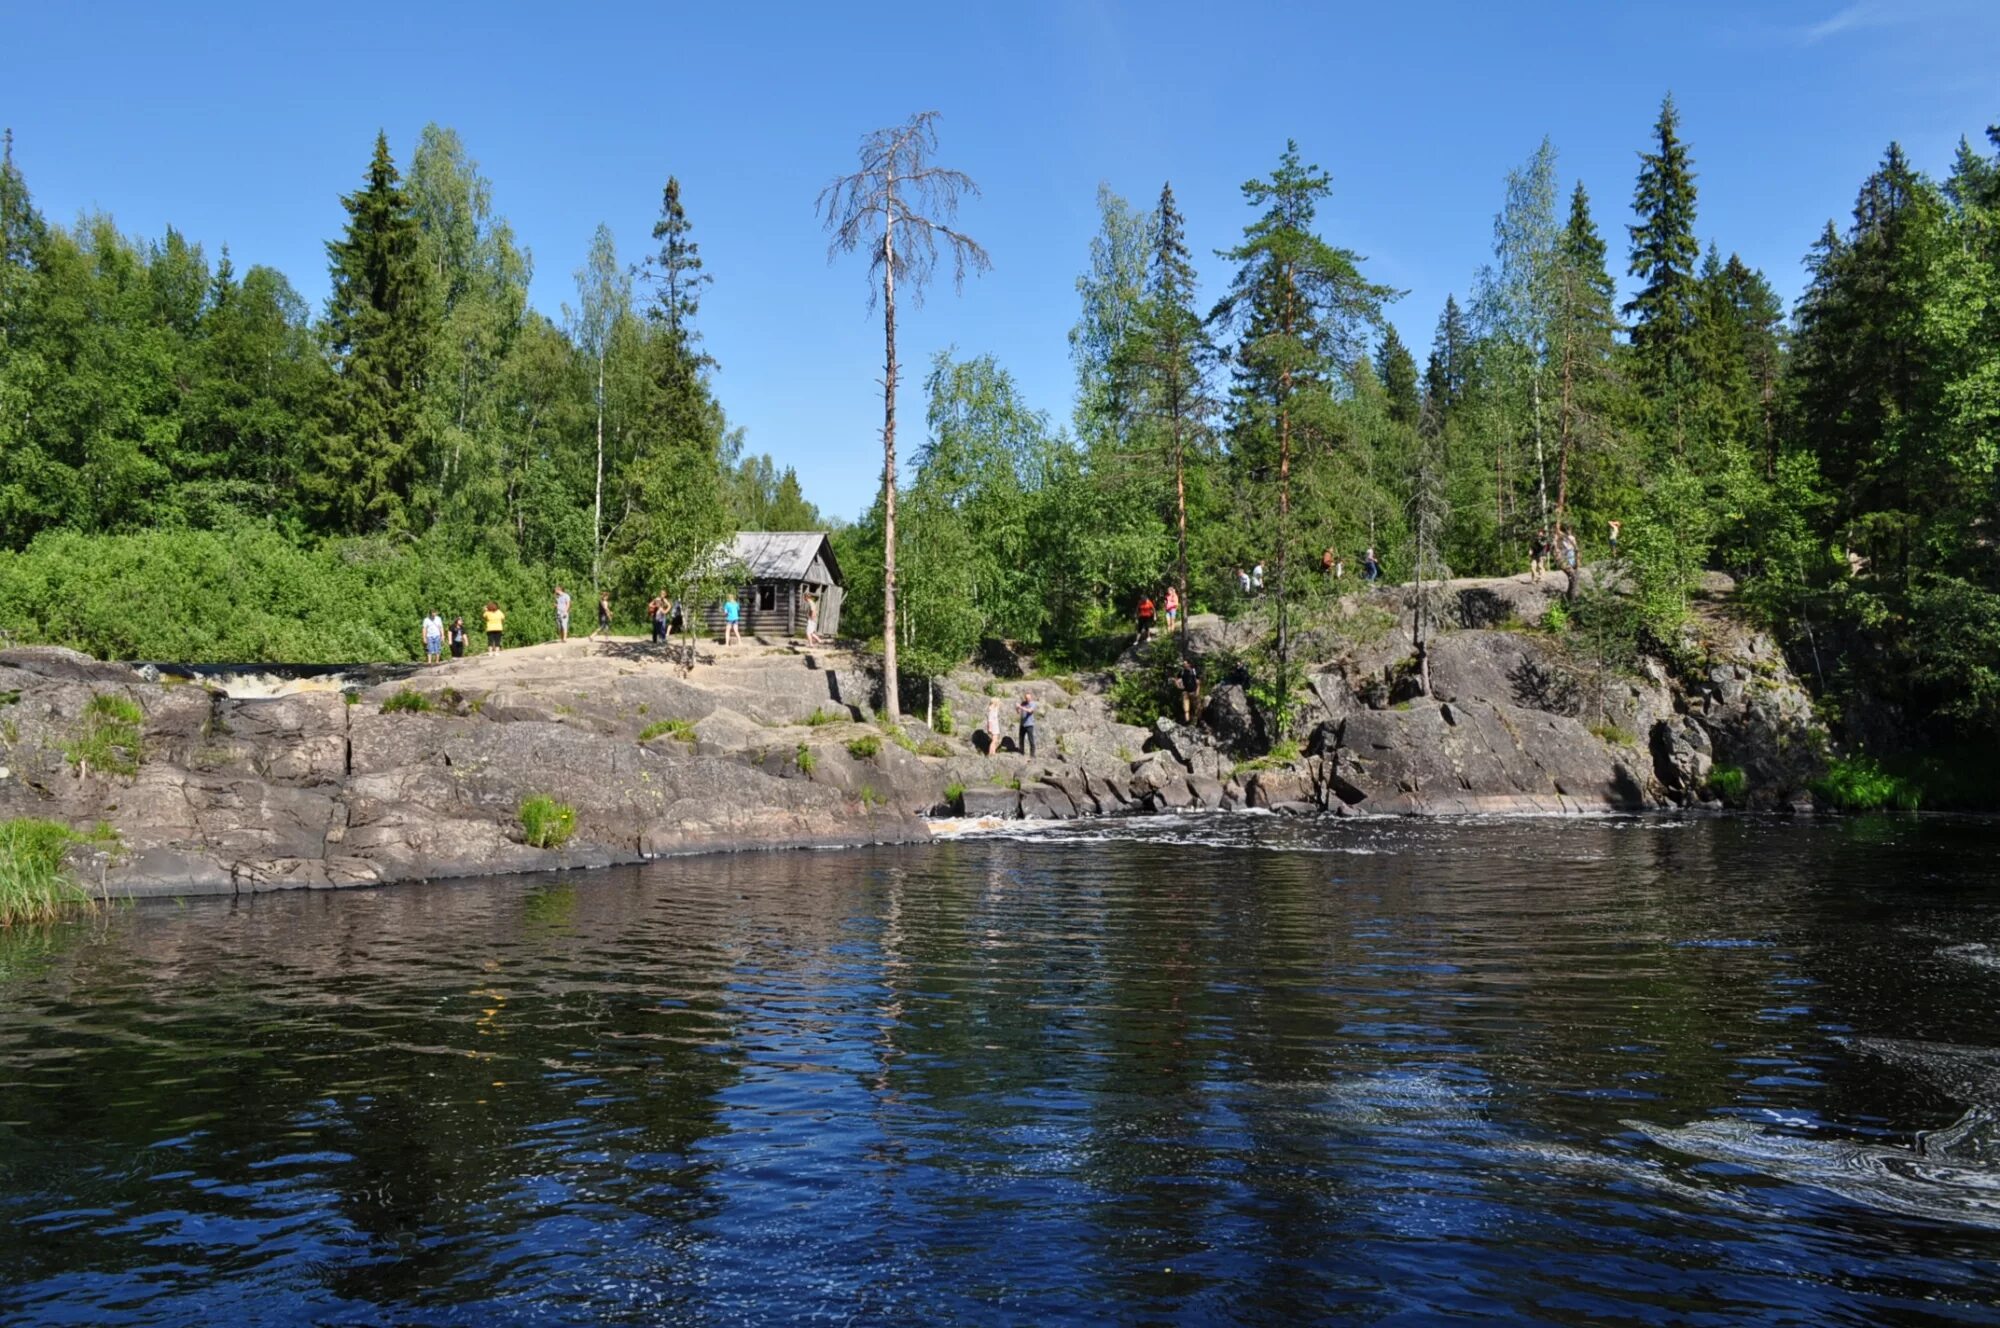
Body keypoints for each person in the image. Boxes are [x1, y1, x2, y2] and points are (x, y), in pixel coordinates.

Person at [1177, 656, 1202, 725]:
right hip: (1185, 692)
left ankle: (1199, 721)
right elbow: (1177, 679)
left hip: (1194, 691)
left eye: (1185, 663)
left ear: (1189, 664)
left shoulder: (1194, 671)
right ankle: (1187, 721)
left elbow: (1198, 682)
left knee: (1197, 707)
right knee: (1186, 707)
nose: (1183, 664)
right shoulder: (1182, 671)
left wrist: (1198, 691)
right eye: (1183, 663)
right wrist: (1178, 686)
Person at [1017, 692, 1038, 759]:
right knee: (1021, 739)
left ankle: (1032, 754)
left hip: (1029, 724)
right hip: (1022, 724)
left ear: (1031, 697)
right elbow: (1018, 712)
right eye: (1026, 698)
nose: (1027, 699)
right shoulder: (1023, 703)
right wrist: (1017, 708)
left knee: (1031, 739)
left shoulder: (1033, 704)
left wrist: (1021, 707)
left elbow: (1030, 711)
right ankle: (1021, 752)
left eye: (1028, 698)